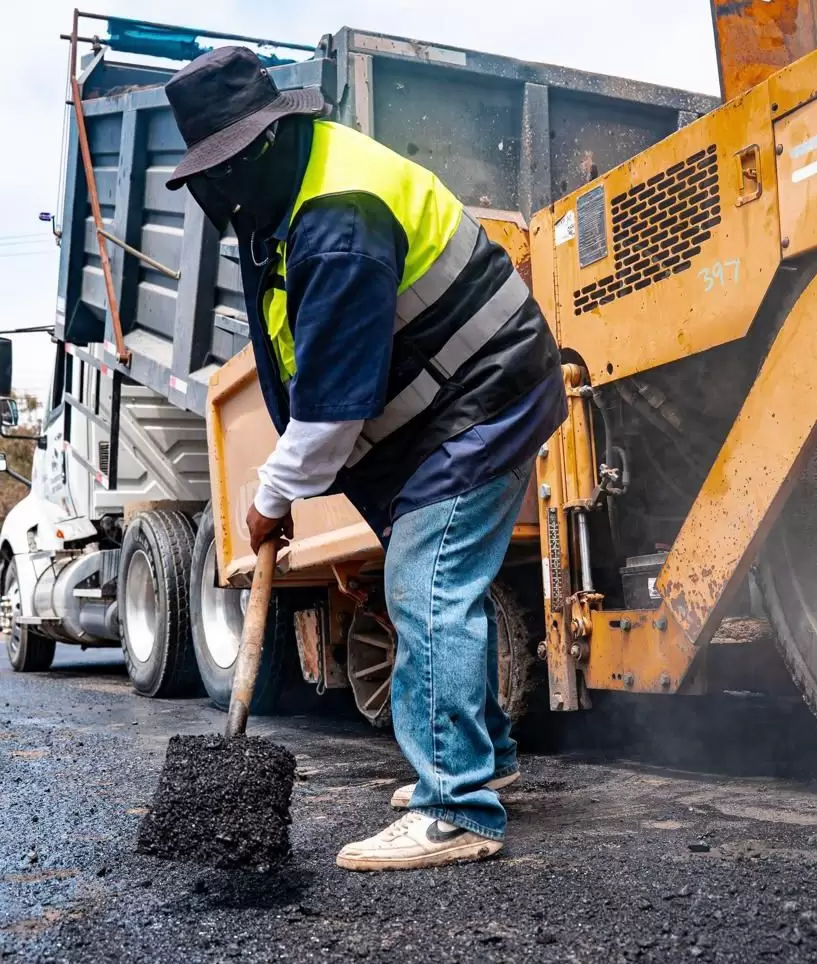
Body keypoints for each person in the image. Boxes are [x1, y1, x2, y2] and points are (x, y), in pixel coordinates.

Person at [165, 45, 567, 872]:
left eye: (229, 163)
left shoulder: (336, 219)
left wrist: (269, 503)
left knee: (428, 587)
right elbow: (316, 374)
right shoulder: (286, 198)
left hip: (483, 398)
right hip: (452, 409)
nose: (221, 184)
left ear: (269, 139)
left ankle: (455, 808)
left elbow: (330, 414)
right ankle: (480, 758)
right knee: (430, 583)